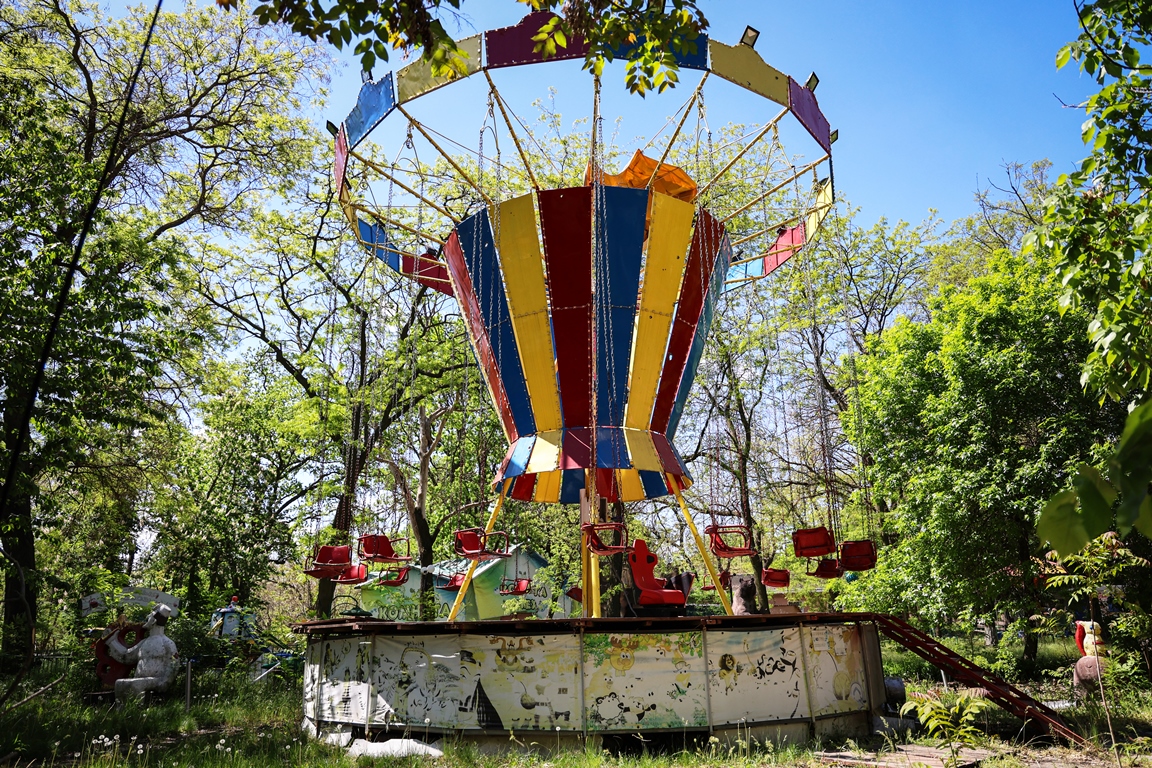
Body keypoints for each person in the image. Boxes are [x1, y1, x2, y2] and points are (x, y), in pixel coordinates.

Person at [106, 604, 178, 701]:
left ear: (153, 621)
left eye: (150, 615)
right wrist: (111, 641)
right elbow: (126, 656)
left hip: (157, 680)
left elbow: (174, 663)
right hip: (141, 679)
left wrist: (165, 682)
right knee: (120, 683)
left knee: (137, 684)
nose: (147, 617)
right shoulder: (144, 643)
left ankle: (138, 710)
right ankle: (122, 711)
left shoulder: (167, 643)